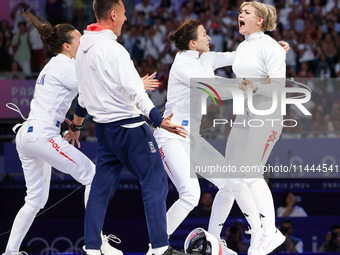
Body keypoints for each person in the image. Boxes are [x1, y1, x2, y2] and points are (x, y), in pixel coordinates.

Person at [153, 18, 289, 255]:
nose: (209, 37)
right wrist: (247, 86)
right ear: (193, 43)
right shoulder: (184, 64)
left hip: (191, 138)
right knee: (190, 195)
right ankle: (157, 245)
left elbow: (238, 56)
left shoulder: (206, 57)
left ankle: (213, 241)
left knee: (228, 184)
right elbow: (214, 88)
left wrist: (274, 50)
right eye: (204, 34)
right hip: (171, 136)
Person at [2, 11, 122, 255]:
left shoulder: (54, 65)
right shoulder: (66, 66)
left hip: (29, 134)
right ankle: (96, 245)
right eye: (79, 40)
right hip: (41, 134)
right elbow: (94, 92)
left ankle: (10, 252)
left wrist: (72, 125)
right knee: (92, 175)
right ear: (67, 46)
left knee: (35, 200)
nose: (83, 44)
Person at [73, 0, 187, 255]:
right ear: (113, 14)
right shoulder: (114, 50)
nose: (126, 19)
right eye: (124, 14)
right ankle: (159, 248)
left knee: (100, 189)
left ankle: (91, 248)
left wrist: (76, 125)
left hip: (103, 131)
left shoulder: (82, 50)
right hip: (130, 129)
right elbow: (136, 93)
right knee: (155, 182)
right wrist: (159, 120)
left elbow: (83, 95)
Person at [224, 2, 288, 255]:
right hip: (245, 114)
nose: (240, 15)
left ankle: (271, 232)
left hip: (267, 113)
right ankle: (258, 229)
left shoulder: (268, 46)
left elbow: (280, 87)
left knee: (251, 173)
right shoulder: (243, 46)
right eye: (240, 12)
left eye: (246, 12)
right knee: (232, 177)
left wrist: (256, 87)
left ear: (260, 20)